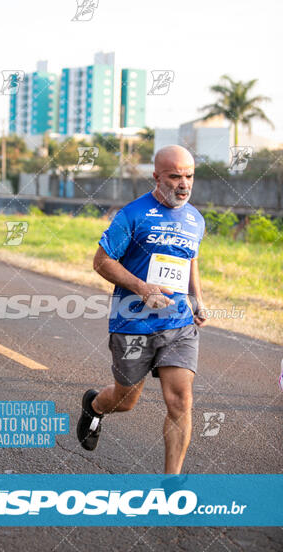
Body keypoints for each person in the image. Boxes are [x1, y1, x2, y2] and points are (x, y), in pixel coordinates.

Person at [77, 145, 207, 475]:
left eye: (189, 175)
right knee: (126, 400)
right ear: (156, 177)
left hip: (177, 323)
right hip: (133, 322)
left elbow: (190, 259)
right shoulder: (132, 215)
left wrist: (198, 299)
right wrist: (142, 288)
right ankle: (94, 406)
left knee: (180, 400)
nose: (184, 183)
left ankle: (171, 485)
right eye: (175, 176)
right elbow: (101, 262)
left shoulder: (195, 218)